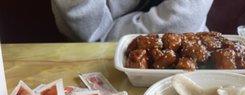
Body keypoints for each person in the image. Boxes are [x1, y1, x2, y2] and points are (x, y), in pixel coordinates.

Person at [51, 0, 214, 42]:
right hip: (88, 61)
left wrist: (107, 30)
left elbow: (179, 23)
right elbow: (88, 32)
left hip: (189, 60)